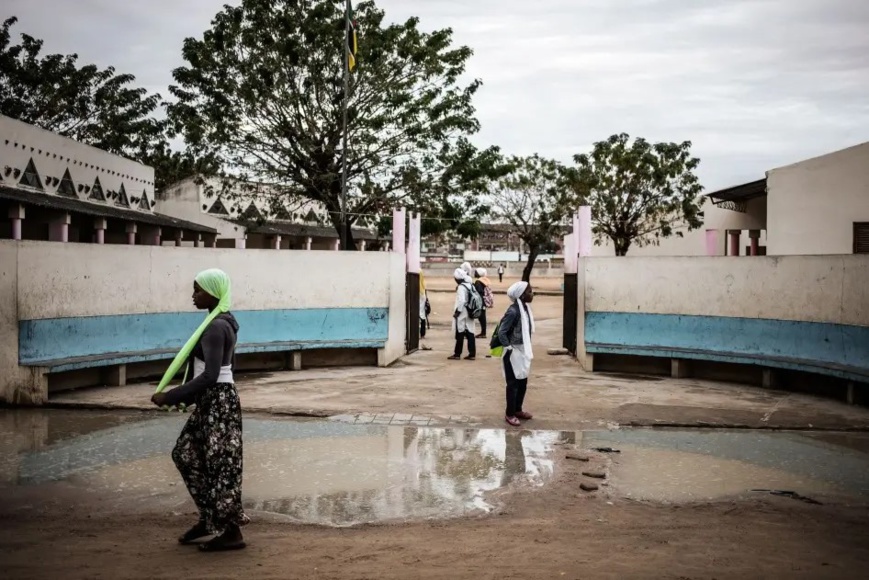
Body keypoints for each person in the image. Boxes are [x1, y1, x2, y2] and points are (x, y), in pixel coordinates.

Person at [150, 268, 249, 552]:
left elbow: (211, 374)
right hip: (214, 400)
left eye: (198, 290)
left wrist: (170, 396)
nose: (193, 296)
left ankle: (231, 532)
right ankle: (210, 518)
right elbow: (218, 371)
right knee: (185, 453)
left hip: (218, 400)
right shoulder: (219, 322)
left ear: (214, 293)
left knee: (221, 467)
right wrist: (195, 399)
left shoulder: (217, 326)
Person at [497, 281, 535, 426]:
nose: (532, 294)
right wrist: (509, 348)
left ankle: (518, 409)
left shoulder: (525, 309)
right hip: (512, 351)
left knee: (523, 381)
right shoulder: (513, 311)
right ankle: (510, 413)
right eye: (529, 291)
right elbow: (502, 332)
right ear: (521, 295)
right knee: (512, 384)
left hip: (523, 350)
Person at [448, 268, 476, 361]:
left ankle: (457, 354)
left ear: (457, 278)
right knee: (470, 332)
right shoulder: (470, 285)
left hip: (463, 311)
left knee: (460, 331)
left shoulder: (461, 287)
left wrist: (457, 312)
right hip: (471, 311)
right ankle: (472, 354)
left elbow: (461, 300)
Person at [473, 268, 493, 339]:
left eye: (476, 272)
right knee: (482, 317)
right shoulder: (485, 280)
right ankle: (483, 332)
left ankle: (483, 333)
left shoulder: (478, 282)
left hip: (480, 302)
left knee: (481, 317)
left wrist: (478, 304)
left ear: (479, 274)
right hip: (484, 302)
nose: (474, 273)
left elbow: (479, 293)